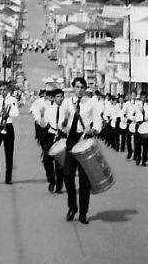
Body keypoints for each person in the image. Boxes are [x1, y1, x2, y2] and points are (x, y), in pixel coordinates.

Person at [58, 77, 102, 224]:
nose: (79, 90)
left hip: (85, 139)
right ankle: (72, 207)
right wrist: (63, 124)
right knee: (68, 174)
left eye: (82, 87)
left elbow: (97, 120)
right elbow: (61, 122)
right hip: (71, 139)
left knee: (84, 179)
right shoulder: (66, 102)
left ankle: (83, 212)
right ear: (73, 88)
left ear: (85, 89)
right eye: (77, 87)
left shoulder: (91, 103)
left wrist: (94, 129)